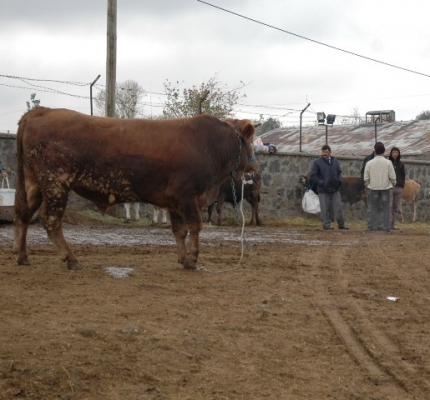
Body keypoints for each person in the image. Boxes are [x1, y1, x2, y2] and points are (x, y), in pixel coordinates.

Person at [310, 145, 348, 230]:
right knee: (324, 208)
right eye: (323, 152)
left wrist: (339, 180)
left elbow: (339, 173)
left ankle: (341, 224)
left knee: (338, 207)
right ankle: (326, 224)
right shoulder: (317, 162)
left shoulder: (335, 161)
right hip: (323, 189)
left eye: (326, 152)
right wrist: (321, 183)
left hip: (335, 188)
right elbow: (313, 175)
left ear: (330, 152)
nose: (324, 153)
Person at [363, 142, 396, 232]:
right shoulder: (388, 163)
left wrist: (368, 182)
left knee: (373, 207)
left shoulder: (369, 163)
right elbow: (392, 176)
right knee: (386, 208)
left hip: (373, 188)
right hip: (385, 187)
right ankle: (386, 227)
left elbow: (366, 176)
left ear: (375, 150)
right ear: (384, 151)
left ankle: (372, 227)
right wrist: (393, 183)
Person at [360, 143, 383, 230]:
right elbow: (363, 172)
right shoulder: (368, 159)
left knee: (380, 206)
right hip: (370, 186)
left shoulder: (384, 160)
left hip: (381, 186)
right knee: (371, 206)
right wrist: (365, 182)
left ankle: (380, 225)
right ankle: (370, 225)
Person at [389, 147, 405, 230]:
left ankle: (392, 224)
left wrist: (402, 185)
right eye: (393, 152)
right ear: (391, 154)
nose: (395, 154)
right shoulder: (388, 163)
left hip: (399, 188)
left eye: (396, 152)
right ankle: (387, 224)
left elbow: (403, 175)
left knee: (395, 207)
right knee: (389, 206)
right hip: (390, 187)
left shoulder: (401, 164)